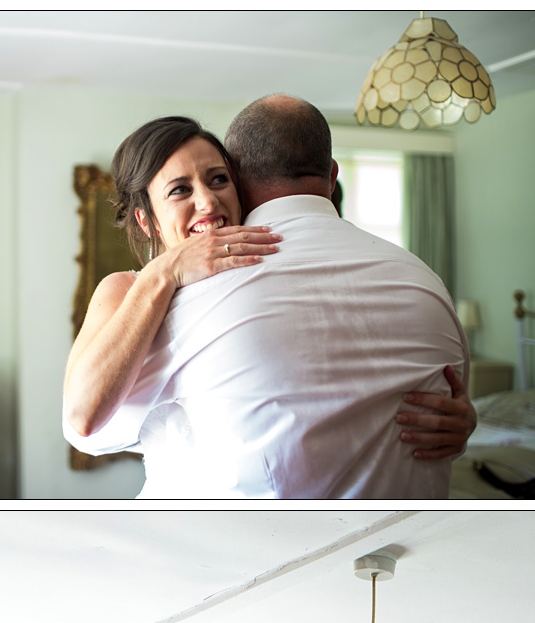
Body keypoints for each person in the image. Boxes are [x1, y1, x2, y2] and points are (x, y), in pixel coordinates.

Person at [63, 100, 475, 498]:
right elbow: (84, 423)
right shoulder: (134, 292)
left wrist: (459, 421)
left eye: (218, 179)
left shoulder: (240, 281)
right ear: (146, 218)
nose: (207, 201)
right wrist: (164, 273)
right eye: (179, 190)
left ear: (241, 185)